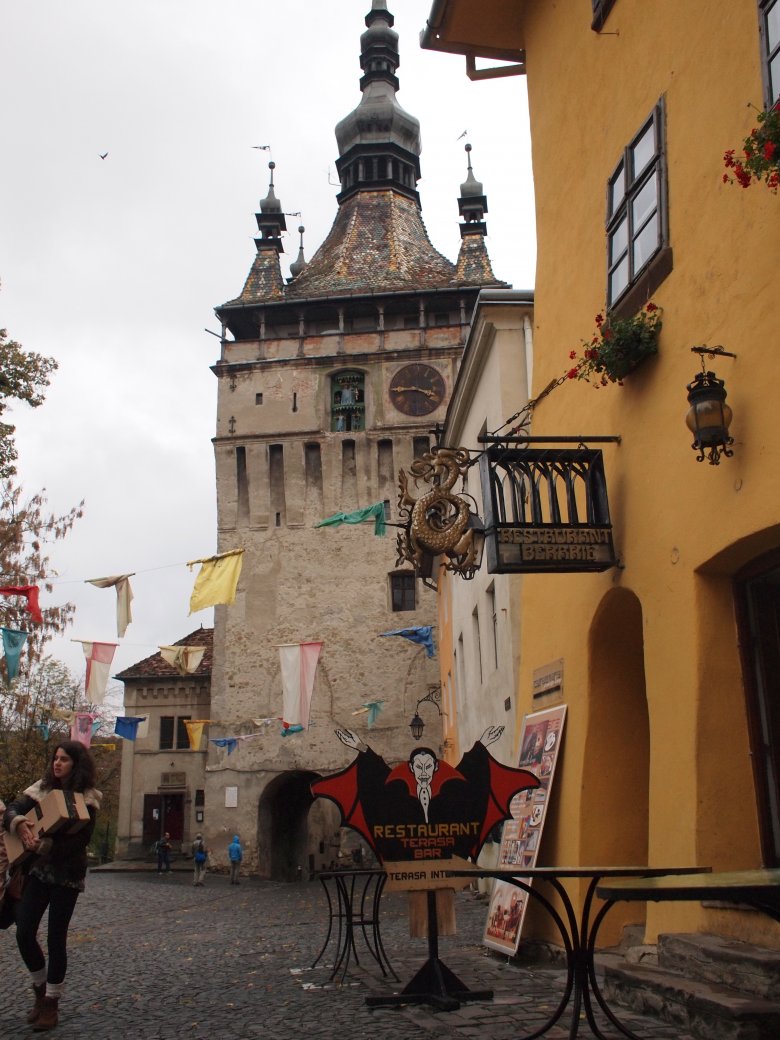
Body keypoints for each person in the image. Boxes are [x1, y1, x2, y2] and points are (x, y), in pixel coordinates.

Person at [2, 740, 102, 1032]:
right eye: (55, 758)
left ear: (76, 764)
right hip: (37, 872)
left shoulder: (89, 798)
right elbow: (13, 808)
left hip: (67, 874)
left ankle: (51, 1004)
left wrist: (45, 845)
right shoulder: (41, 789)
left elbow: (80, 842)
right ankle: (39, 988)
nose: (57, 763)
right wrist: (20, 823)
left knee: (56, 938)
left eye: (64, 759)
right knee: (24, 932)